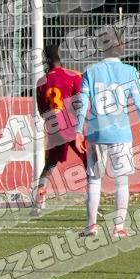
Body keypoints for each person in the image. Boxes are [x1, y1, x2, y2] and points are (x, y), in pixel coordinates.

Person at [74, 26, 140, 238]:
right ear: (122, 47)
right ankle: (119, 227)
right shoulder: (130, 71)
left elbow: (82, 103)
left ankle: (91, 226)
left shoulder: (91, 71)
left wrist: (78, 130)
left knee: (94, 179)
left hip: (96, 133)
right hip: (121, 135)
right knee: (122, 181)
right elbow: (139, 103)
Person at [32, 41, 83, 215]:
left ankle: (38, 202)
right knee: (90, 163)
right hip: (73, 127)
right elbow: (80, 103)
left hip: (55, 128)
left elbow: (41, 111)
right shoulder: (74, 76)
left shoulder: (41, 82)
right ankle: (95, 205)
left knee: (49, 165)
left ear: (46, 60)